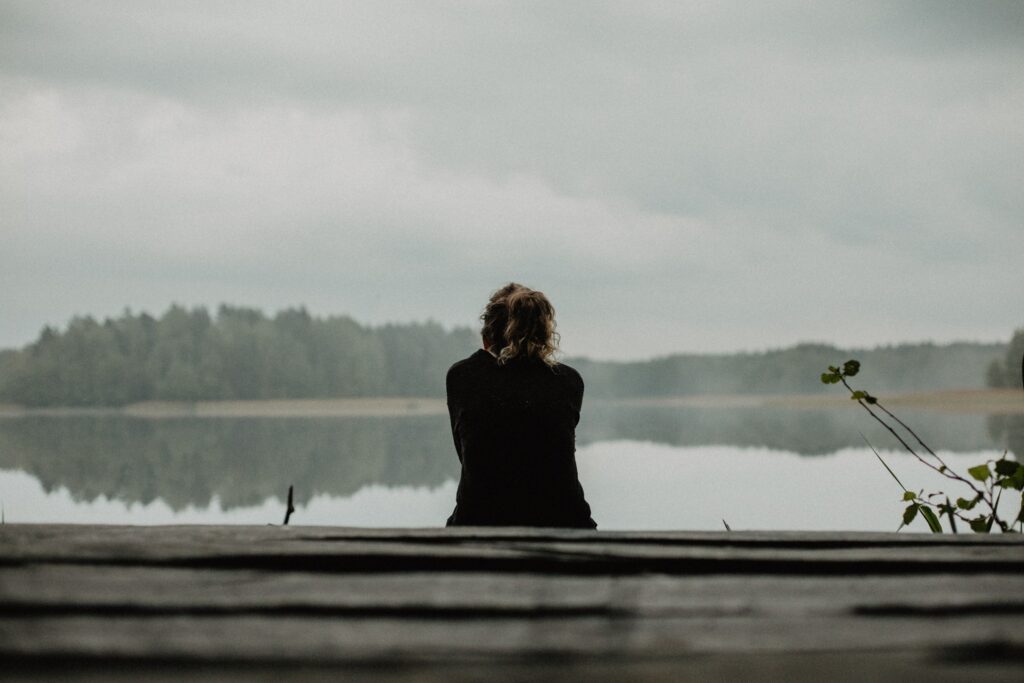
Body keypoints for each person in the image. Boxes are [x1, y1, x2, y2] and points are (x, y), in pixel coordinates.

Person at [445, 283, 597, 528]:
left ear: (486, 339)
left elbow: (471, 457)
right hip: (567, 527)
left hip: (476, 526)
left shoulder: (462, 376)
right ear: (544, 336)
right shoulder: (568, 381)